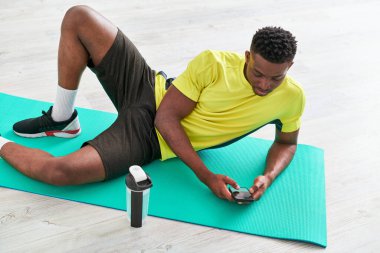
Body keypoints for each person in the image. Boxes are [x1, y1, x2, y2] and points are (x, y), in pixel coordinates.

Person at [0, 5, 305, 202]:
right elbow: (166, 118)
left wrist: (268, 175)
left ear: (289, 67)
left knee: (60, 173)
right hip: (150, 90)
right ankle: (63, 118)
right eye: (258, 73)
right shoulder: (213, 63)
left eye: (274, 78)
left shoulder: (292, 98)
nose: (264, 84)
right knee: (80, 17)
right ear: (248, 56)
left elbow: (287, 143)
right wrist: (206, 176)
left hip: (149, 139)